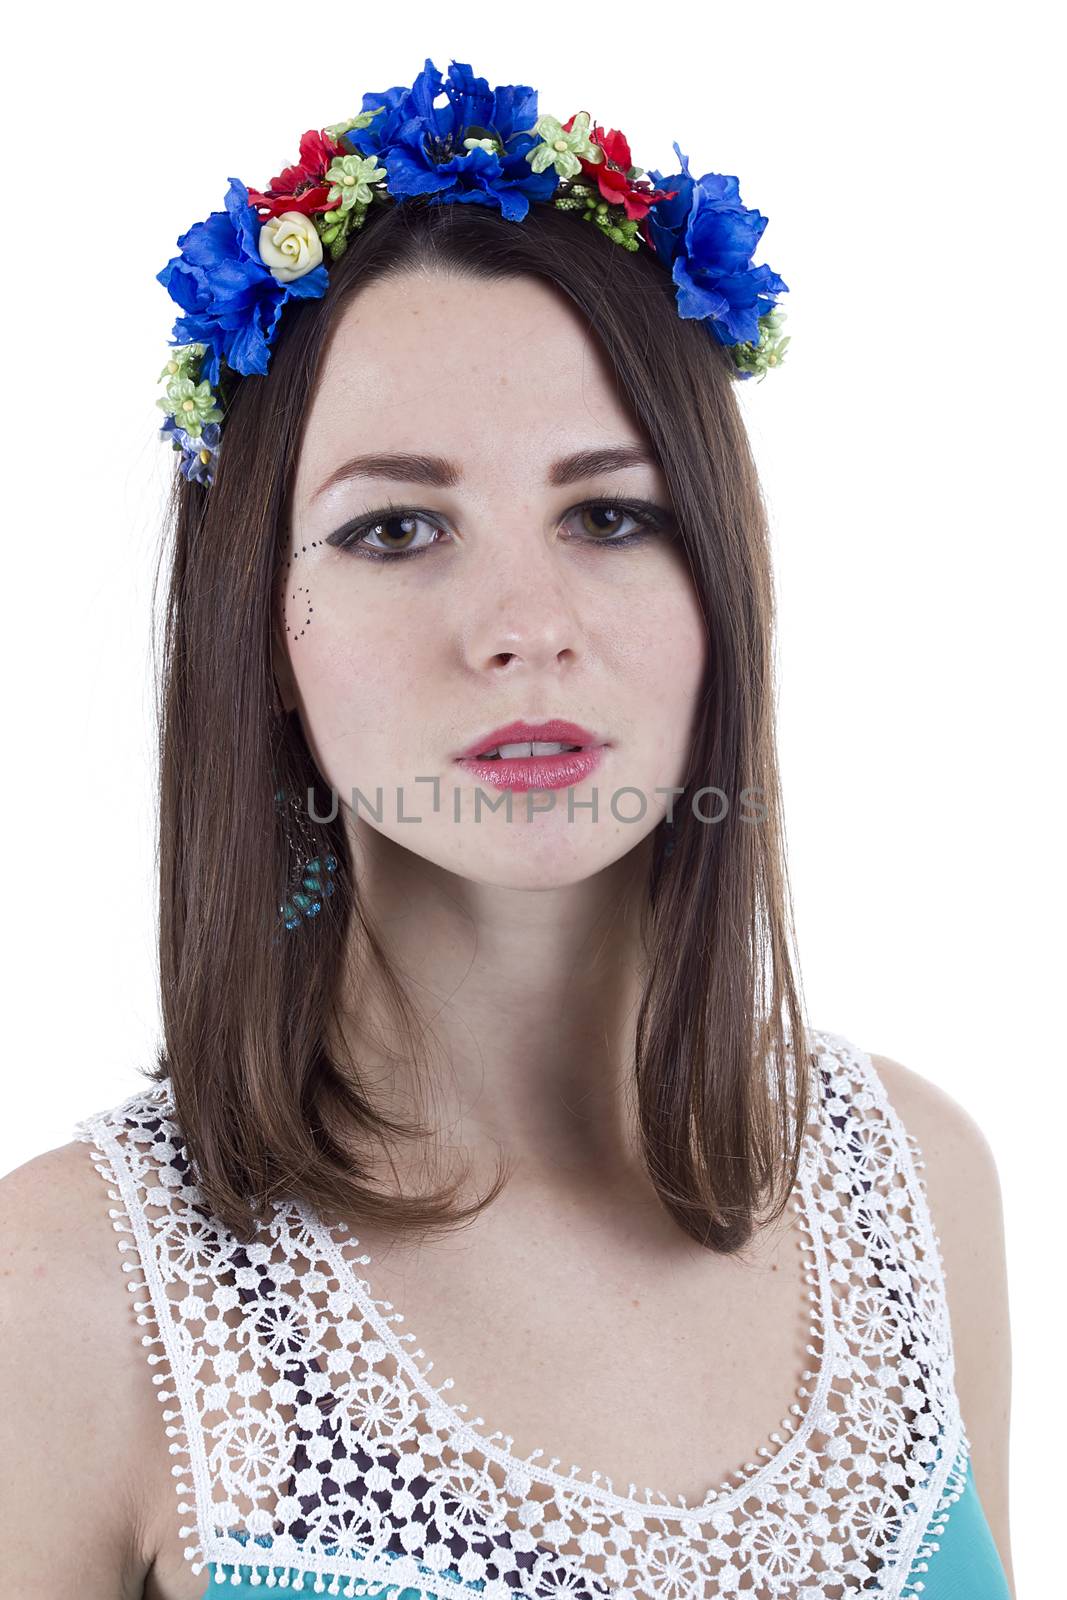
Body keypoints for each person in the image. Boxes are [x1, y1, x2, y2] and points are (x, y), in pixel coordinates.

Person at [0, 58, 1014, 1599]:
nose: (523, 625)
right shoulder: (66, 1298)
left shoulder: (921, 1194)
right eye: (397, 528)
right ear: (262, 631)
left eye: (611, 514)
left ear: (719, 585)